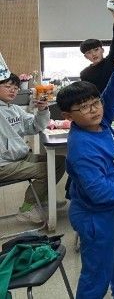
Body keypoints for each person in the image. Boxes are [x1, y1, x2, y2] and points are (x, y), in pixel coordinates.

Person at [57, 55, 114, 299]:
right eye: (83, 107)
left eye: (95, 102)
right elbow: (98, 192)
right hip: (95, 215)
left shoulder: (101, 122)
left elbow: (111, 98)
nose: (94, 109)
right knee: (98, 271)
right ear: (68, 116)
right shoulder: (82, 147)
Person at [0, 73, 65, 224]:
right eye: (8, 86)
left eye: (16, 87)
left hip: (19, 157)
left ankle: (40, 198)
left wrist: (42, 110)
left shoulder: (15, 109)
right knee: (47, 170)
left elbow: (35, 126)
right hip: (4, 164)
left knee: (60, 162)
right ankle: (27, 208)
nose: (13, 90)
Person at [79, 9, 114, 93]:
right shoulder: (84, 74)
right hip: (100, 101)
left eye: (96, 50)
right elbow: (88, 95)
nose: (93, 54)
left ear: (102, 50)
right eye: (89, 52)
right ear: (85, 56)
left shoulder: (112, 60)